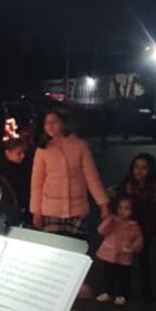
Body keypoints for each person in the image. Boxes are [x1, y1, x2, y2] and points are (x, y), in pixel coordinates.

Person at [30, 109, 109, 297]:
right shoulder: (43, 150)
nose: (50, 126)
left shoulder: (80, 146)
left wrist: (103, 204)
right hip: (51, 209)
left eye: (54, 122)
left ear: (64, 123)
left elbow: (92, 177)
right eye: (46, 123)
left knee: (77, 249)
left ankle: (75, 285)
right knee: (54, 250)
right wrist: (37, 211)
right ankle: (54, 287)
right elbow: (37, 182)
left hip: (77, 208)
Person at [115, 153, 156, 301]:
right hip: (128, 228)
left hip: (147, 229)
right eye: (136, 167)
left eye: (144, 167)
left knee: (145, 261)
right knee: (124, 259)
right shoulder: (127, 186)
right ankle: (122, 291)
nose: (139, 171)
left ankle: (147, 292)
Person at [96, 196, 144, 305]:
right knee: (109, 275)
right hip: (109, 254)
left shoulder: (134, 226)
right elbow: (101, 230)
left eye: (126, 209)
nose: (122, 211)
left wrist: (133, 248)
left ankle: (122, 295)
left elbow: (139, 240)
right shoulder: (112, 222)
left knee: (123, 277)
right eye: (120, 208)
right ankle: (108, 292)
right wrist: (108, 219)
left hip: (124, 256)